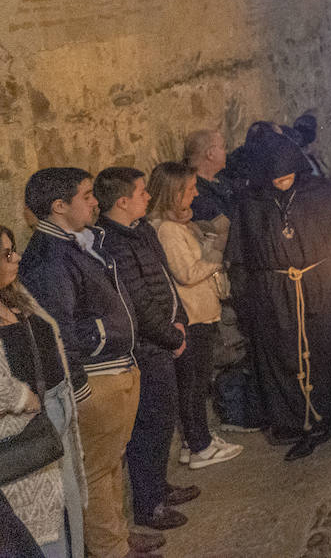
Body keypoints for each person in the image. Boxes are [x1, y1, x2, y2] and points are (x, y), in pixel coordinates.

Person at [227, 133, 331, 460]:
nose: (282, 180)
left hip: (323, 287)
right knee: (286, 355)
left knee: (330, 349)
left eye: (287, 174)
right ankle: (300, 421)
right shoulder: (252, 204)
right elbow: (242, 258)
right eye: (275, 176)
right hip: (276, 294)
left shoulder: (322, 194)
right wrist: (248, 297)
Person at [19, 168, 145, 558]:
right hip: (97, 377)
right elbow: (59, 327)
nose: (95, 202)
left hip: (116, 369)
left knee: (110, 467)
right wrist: (106, 334)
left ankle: (118, 538)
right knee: (95, 473)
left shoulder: (79, 244)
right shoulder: (50, 259)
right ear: (59, 206)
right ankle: (111, 550)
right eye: (87, 195)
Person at [93, 168, 196, 534]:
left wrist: (179, 319)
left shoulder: (142, 230)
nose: (148, 197)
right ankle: (148, 504)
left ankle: (159, 486)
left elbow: (163, 279)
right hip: (147, 347)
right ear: (122, 201)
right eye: (141, 192)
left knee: (163, 420)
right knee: (148, 426)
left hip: (165, 338)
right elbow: (136, 298)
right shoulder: (113, 243)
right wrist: (171, 335)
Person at [145, 163, 241, 471]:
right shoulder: (169, 230)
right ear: (174, 193)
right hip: (193, 314)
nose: (196, 193)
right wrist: (216, 260)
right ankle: (199, 445)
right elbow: (187, 272)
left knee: (197, 382)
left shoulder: (175, 225)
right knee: (194, 384)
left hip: (200, 311)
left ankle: (194, 441)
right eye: (189, 189)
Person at [0, 224, 86, 558]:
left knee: (64, 514)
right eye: (6, 254)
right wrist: (23, 398)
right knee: (36, 531)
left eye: (14, 249)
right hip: (16, 437)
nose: (16, 257)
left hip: (47, 416)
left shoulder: (13, 295)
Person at [183, 129, 232, 227]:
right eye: (223, 147)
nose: (226, 152)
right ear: (210, 154)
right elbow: (225, 227)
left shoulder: (221, 179)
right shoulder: (194, 191)